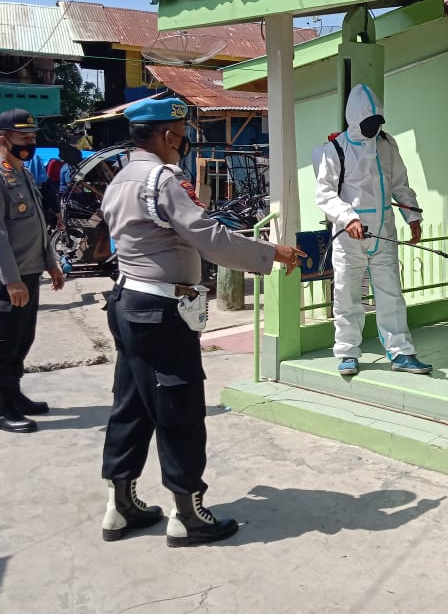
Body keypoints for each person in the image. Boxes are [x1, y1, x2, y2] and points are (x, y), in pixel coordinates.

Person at [99, 97, 305, 548]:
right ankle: (188, 514)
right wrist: (271, 254)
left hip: (127, 301)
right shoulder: (163, 178)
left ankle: (121, 505)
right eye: (182, 135)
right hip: (160, 312)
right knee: (180, 411)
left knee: (132, 405)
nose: (183, 144)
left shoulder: (120, 177)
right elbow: (208, 237)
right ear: (170, 136)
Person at [314, 83, 431, 378]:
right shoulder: (335, 150)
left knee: (391, 293)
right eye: (369, 124)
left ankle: (401, 352)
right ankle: (347, 352)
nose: (373, 129)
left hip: (384, 232)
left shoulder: (387, 145)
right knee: (347, 295)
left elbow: (400, 184)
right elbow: (325, 194)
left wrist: (412, 216)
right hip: (349, 236)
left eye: (377, 123)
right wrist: (347, 217)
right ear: (355, 120)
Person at [0, 109, 65, 433]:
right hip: (0, 280)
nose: (30, 143)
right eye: (24, 138)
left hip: (28, 273)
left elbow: (39, 223)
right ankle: (0, 410)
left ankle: (14, 396)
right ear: (2, 140)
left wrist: (51, 263)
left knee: (21, 341)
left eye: (32, 137)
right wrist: (10, 280)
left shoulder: (20, 171)